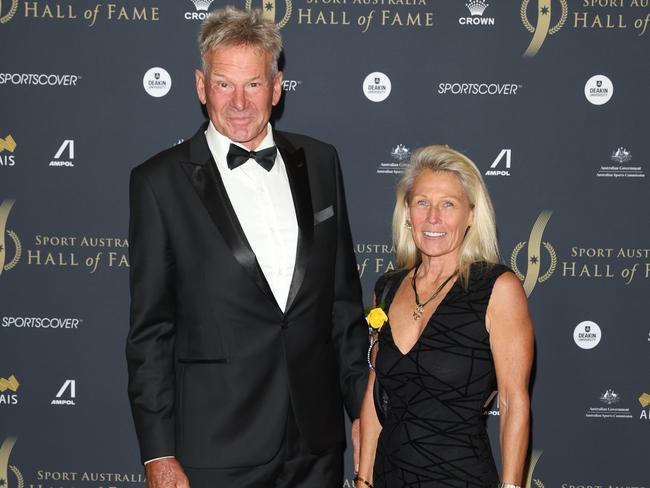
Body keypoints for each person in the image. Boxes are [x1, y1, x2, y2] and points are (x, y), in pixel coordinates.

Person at [126, 7, 368, 488]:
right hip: (217, 448)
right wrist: (158, 454)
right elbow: (151, 331)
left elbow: (342, 305)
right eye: (223, 84)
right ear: (200, 86)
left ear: (276, 89)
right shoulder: (158, 183)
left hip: (316, 446)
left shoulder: (321, 162)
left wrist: (363, 412)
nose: (239, 102)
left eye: (253, 84)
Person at [356, 145, 534, 488]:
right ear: (407, 211)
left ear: (470, 214)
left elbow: (513, 402)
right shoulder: (388, 289)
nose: (433, 217)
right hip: (390, 476)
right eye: (422, 202)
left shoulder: (497, 289)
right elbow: (375, 392)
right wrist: (363, 479)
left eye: (448, 204)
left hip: (460, 477)